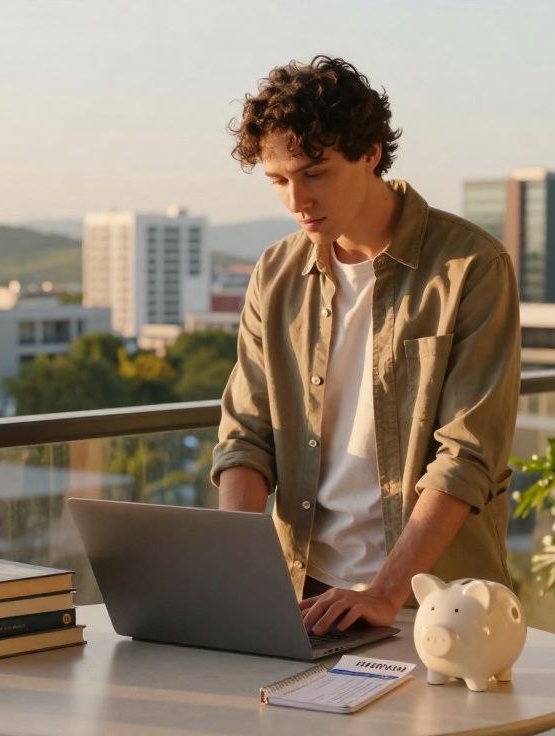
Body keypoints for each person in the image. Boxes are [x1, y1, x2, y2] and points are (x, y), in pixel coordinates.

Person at [211, 56, 521, 636]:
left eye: (315, 172)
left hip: (436, 601)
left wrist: (384, 592)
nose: (297, 199)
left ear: (370, 152)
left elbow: (467, 457)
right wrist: (234, 575)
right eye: (279, 180)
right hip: (304, 595)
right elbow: (246, 437)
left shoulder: (471, 266)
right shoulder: (275, 273)